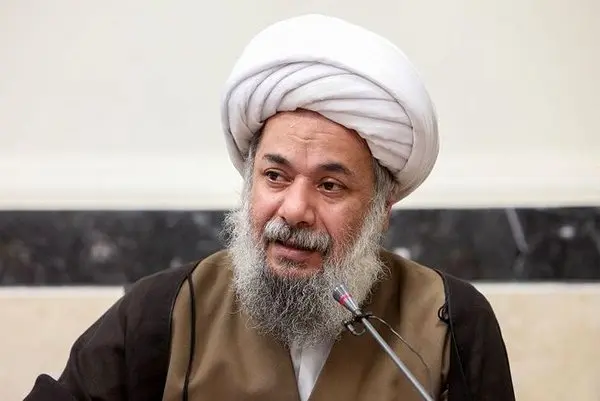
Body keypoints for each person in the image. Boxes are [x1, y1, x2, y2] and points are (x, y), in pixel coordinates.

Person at [24, 14, 515, 401]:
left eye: (329, 186)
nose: (294, 210)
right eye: (275, 176)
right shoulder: (163, 312)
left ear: (381, 208)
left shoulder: (451, 321)